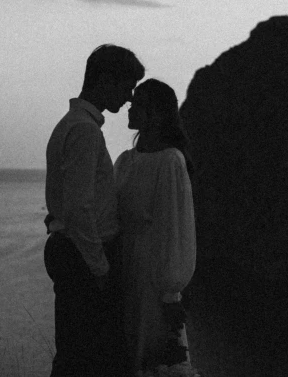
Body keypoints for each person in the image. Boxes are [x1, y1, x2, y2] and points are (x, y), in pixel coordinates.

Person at [44, 44, 145, 377]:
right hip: (83, 257)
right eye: (126, 86)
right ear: (105, 80)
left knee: (76, 354)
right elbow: (78, 206)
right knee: (90, 358)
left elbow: (67, 199)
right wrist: (100, 267)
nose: (130, 97)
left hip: (74, 252)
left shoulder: (73, 124)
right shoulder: (85, 130)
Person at [114, 79, 197, 376]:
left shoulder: (170, 162)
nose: (130, 107)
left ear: (156, 114)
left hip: (153, 279)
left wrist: (171, 292)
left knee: (154, 359)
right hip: (125, 270)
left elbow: (176, 230)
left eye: (138, 103)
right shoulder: (125, 161)